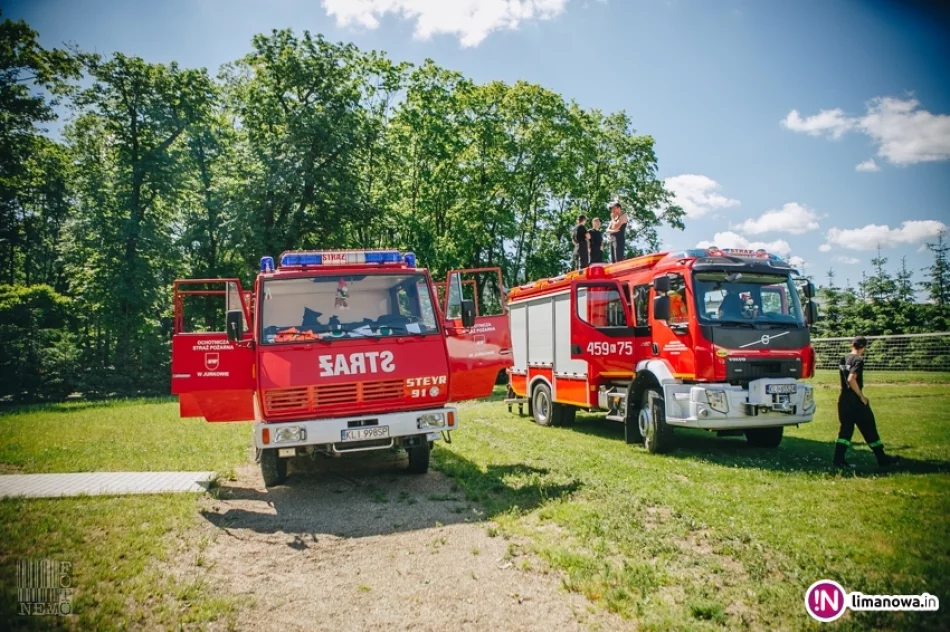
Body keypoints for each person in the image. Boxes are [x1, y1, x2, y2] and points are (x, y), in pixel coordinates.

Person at [834, 335, 900, 469]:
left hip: (843, 400)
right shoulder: (858, 359)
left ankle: (838, 459)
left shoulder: (844, 358)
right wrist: (861, 396)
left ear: (852, 344)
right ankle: (882, 458)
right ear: (863, 347)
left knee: (846, 430)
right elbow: (851, 379)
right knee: (869, 426)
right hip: (855, 401)